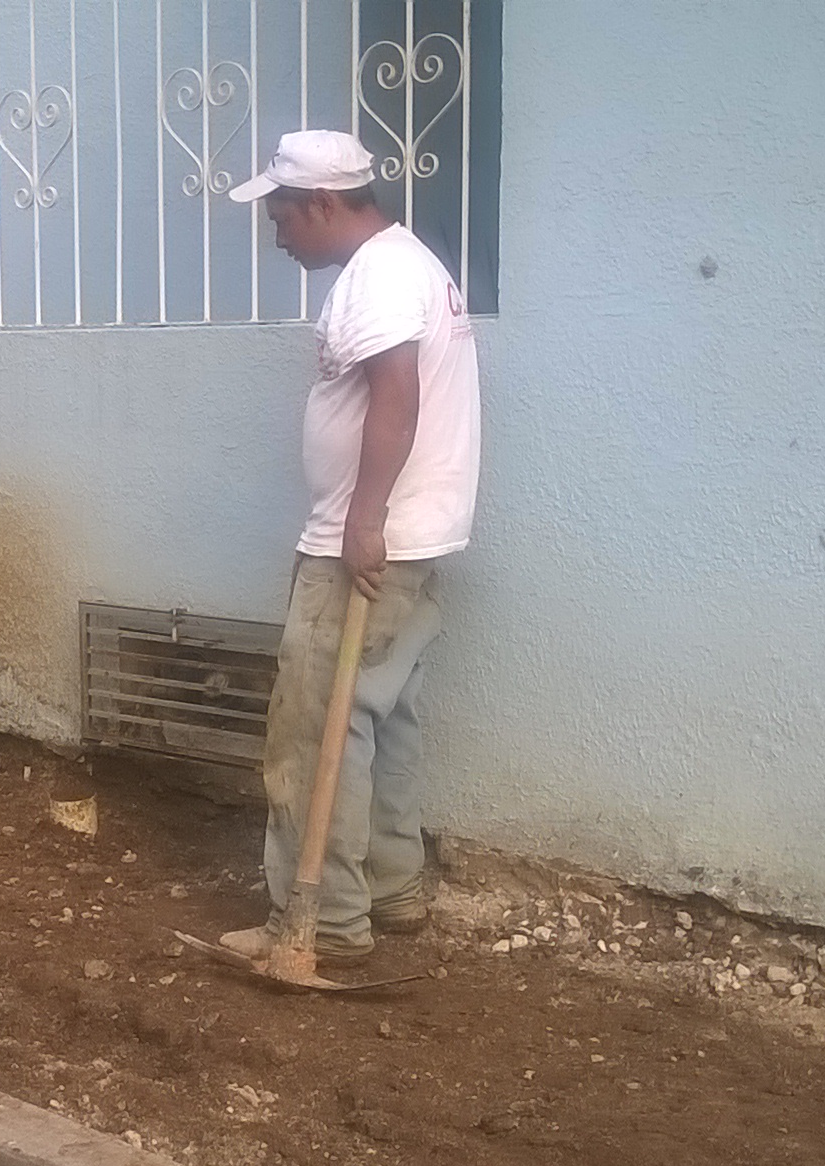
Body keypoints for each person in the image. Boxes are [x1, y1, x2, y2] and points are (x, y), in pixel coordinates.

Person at [218, 131, 481, 968]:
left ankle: (322, 920)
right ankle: (391, 887)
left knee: (313, 725)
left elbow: (394, 393)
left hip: (365, 544)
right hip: (412, 536)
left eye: (282, 214)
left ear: (324, 204)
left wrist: (362, 520)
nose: (277, 232)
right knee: (382, 716)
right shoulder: (411, 265)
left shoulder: (376, 277)